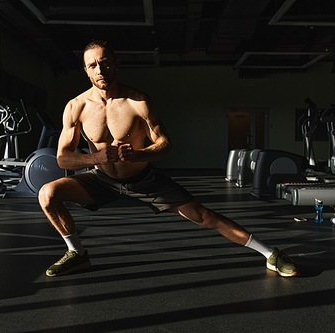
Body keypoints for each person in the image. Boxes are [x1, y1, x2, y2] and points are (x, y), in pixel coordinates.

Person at [38, 40, 298, 278]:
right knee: (47, 193)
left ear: (116, 64)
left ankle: (270, 254)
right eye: (92, 65)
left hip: (143, 179)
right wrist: (95, 157)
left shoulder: (138, 101)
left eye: (105, 63)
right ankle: (77, 253)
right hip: (101, 180)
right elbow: (62, 158)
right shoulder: (76, 106)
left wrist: (138, 154)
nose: (100, 70)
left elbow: (165, 144)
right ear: (85, 70)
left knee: (203, 216)